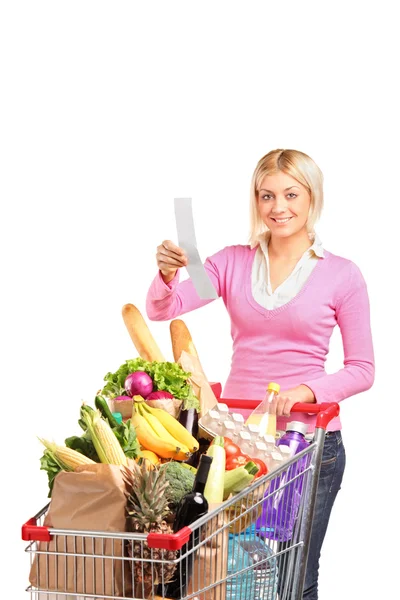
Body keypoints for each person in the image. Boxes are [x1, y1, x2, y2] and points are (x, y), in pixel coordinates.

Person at [146, 148, 375, 599]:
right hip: (235, 443)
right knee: (226, 574)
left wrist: (308, 389)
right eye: (266, 195)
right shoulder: (230, 263)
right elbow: (165, 308)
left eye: (291, 194)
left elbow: (363, 369)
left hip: (306, 445)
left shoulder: (342, 275)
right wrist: (166, 273)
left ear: (312, 198)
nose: (278, 207)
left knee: (292, 576)